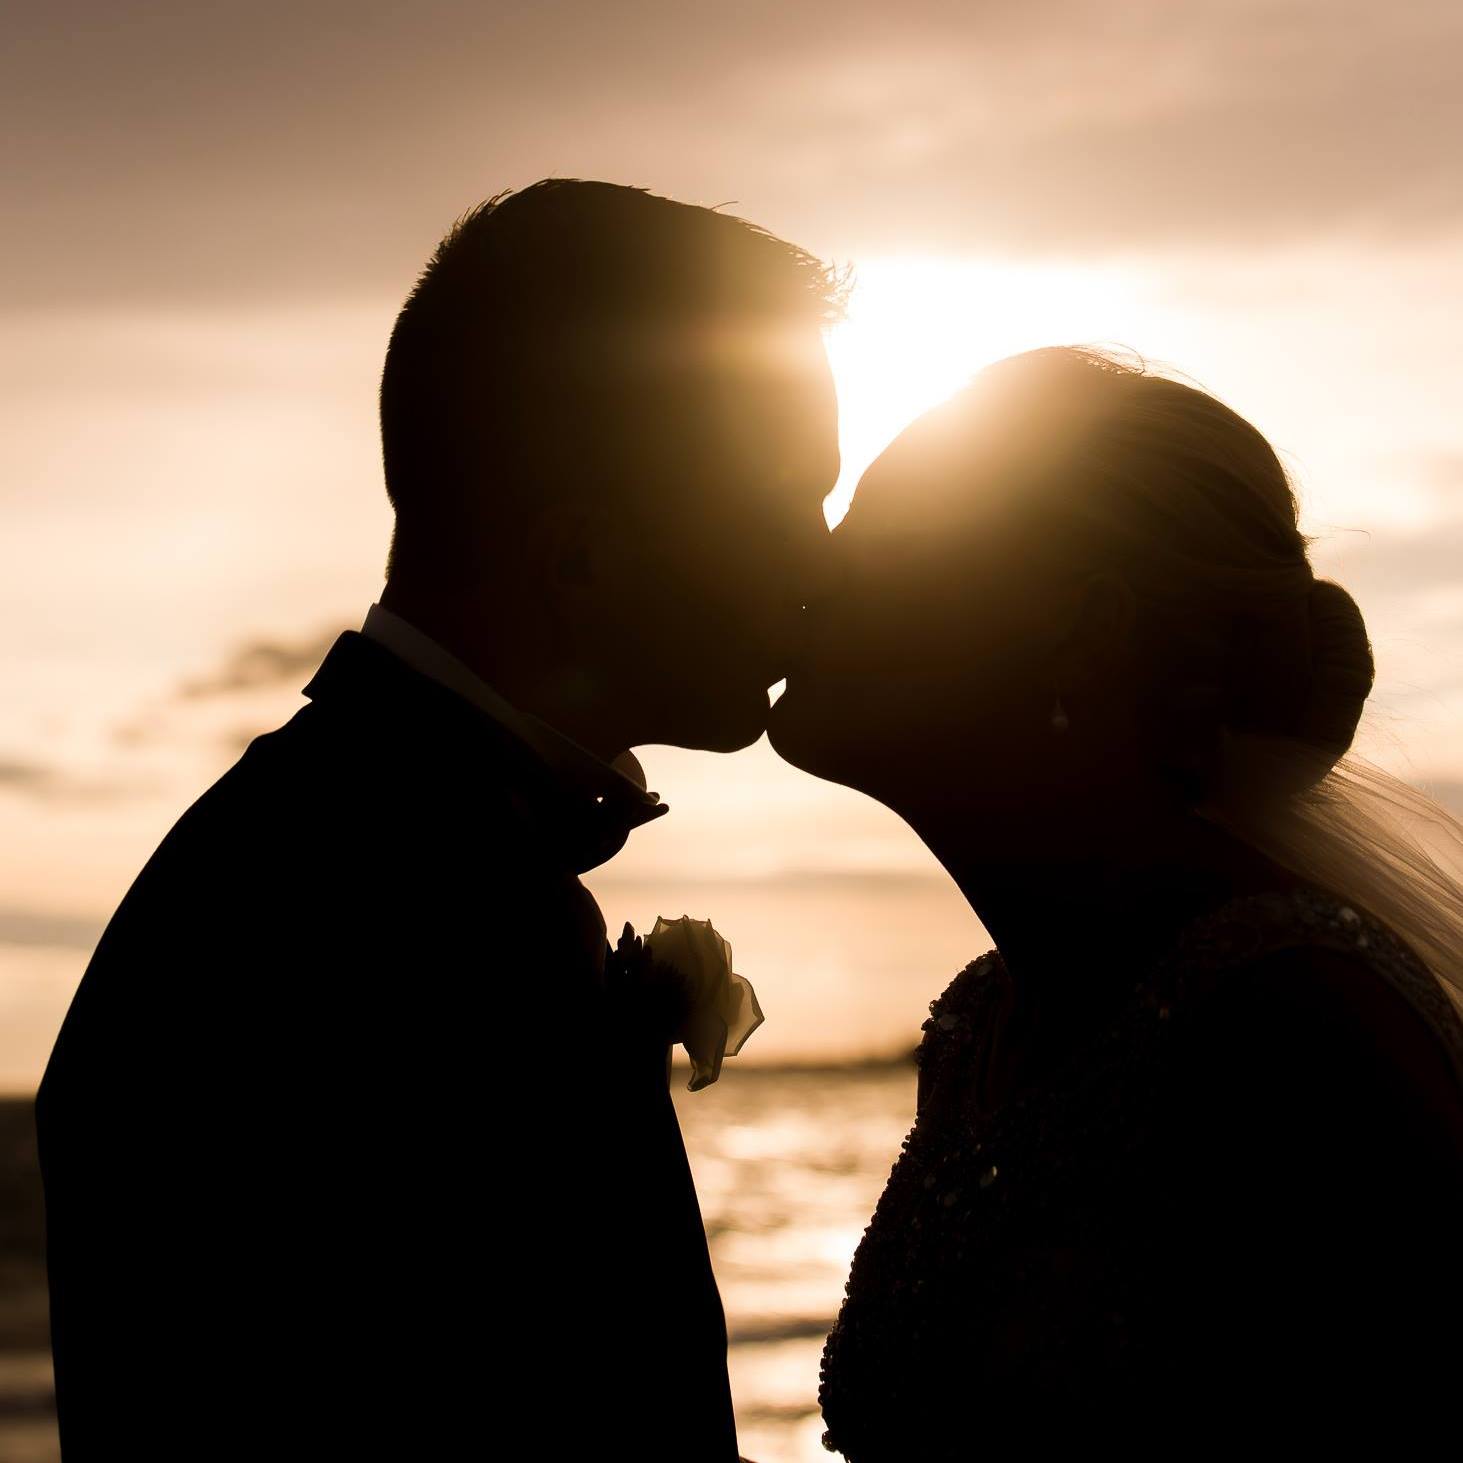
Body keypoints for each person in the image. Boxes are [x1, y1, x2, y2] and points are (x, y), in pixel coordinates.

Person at [35, 179, 844, 1460]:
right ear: (580, 559)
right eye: (789, 501)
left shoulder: (358, 841)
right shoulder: (375, 915)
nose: (825, 562)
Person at [768, 346, 1463, 1454]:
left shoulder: (1294, 1036)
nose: (809, 567)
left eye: (878, 530)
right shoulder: (988, 1020)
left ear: (1074, 621)